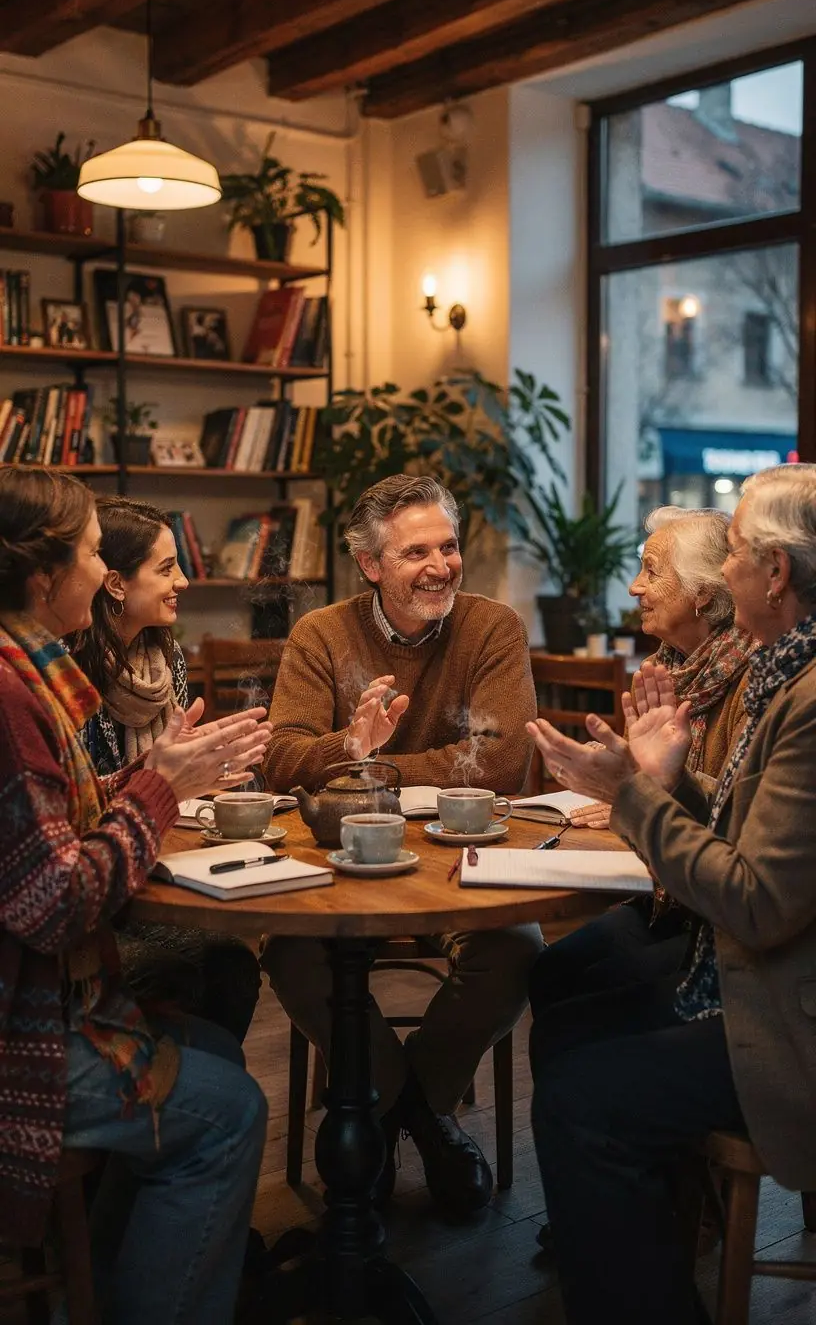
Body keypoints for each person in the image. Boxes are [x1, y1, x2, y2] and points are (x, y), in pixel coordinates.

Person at [525, 462, 816, 1325]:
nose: (722, 577)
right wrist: (664, 784)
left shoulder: (805, 699)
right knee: (574, 1012)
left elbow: (758, 902)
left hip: (790, 1017)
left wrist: (632, 796)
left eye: (732, 555)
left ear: (776, 575)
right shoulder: (783, 674)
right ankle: (628, 1241)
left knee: (582, 1100)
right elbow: (745, 852)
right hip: (758, 974)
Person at [0, 465, 273, 1324]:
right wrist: (160, 790)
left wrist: (161, 775)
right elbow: (54, 903)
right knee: (231, 1114)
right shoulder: (10, 698)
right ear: (46, 578)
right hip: (22, 1036)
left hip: (42, 1002)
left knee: (219, 1055)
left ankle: (123, 1281)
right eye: (88, 553)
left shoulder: (26, 677)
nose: (98, 569)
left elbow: (53, 821)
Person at [263, 473, 541, 1215]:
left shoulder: (491, 629)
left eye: (448, 547)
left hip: (458, 858)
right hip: (341, 862)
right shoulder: (321, 634)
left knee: (516, 948)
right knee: (292, 950)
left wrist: (365, 769)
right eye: (417, 550)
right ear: (371, 564)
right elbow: (280, 758)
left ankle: (397, 1116)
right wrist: (346, 741)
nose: (441, 566)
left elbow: (503, 760)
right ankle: (411, 1113)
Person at [530, 506, 754, 1010]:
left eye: (651, 571)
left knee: (583, 998)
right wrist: (619, 786)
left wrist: (635, 788)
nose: (634, 587)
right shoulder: (661, 672)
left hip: (720, 915)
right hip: (666, 896)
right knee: (551, 969)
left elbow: (746, 817)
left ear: (703, 593)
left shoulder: (754, 679)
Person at [67, 497, 261, 1044]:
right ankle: (159, 1099)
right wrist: (162, 777)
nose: (183, 581)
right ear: (116, 584)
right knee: (184, 971)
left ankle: (190, 1099)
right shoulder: (69, 664)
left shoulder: (167, 656)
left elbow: (170, 771)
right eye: (166, 568)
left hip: (148, 861)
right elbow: (79, 800)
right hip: (94, 881)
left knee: (231, 965)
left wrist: (204, 767)